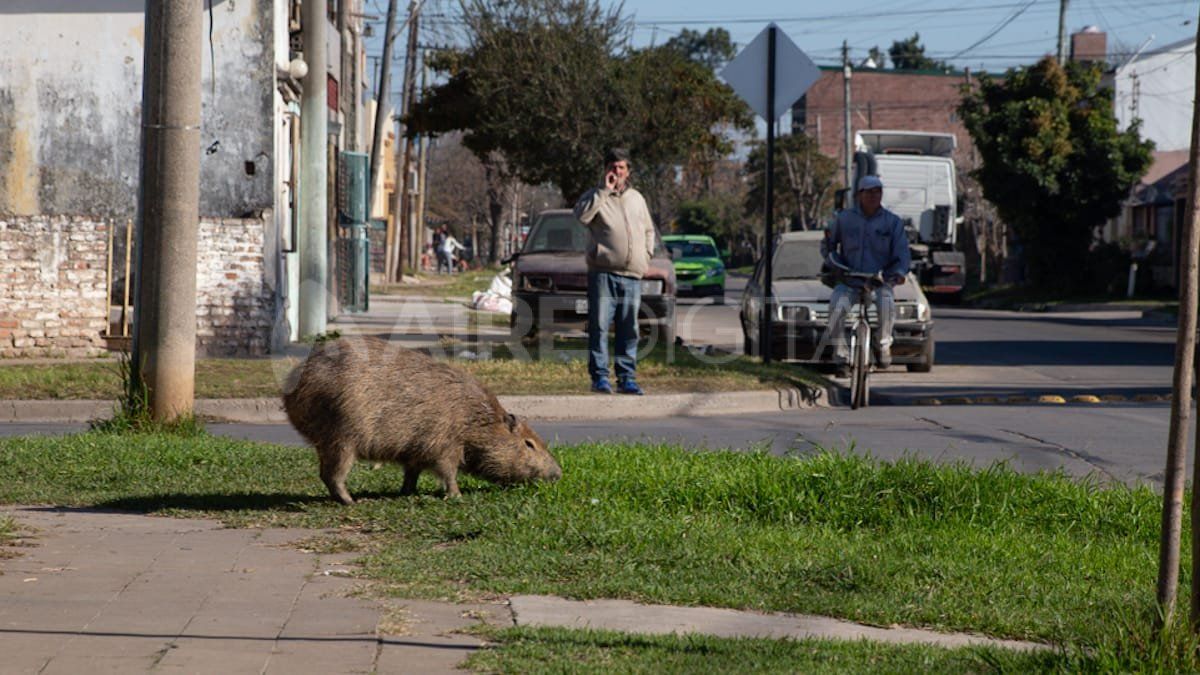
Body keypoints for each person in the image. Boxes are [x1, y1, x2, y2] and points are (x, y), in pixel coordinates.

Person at [573, 147, 656, 395]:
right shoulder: (596, 196)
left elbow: (648, 230)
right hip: (603, 273)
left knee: (629, 328)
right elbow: (582, 216)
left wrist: (646, 255)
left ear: (628, 171)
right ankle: (599, 378)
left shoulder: (637, 199)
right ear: (605, 170)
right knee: (599, 326)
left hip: (632, 275)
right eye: (612, 167)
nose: (617, 172)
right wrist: (604, 191)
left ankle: (627, 378)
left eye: (621, 168)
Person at [821, 174, 910, 370]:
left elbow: (902, 252)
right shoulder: (843, 219)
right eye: (869, 192)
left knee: (886, 302)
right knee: (836, 306)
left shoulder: (892, 222)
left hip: (880, 280)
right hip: (850, 280)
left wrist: (900, 272)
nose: (873, 196)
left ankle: (883, 345)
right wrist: (832, 262)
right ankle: (842, 356)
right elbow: (828, 246)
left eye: (878, 191)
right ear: (859, 195)